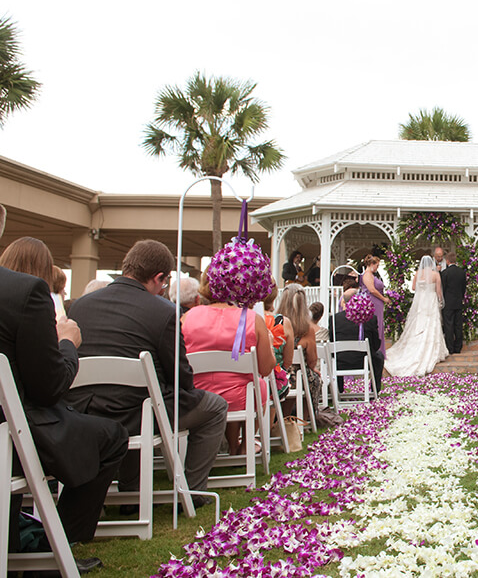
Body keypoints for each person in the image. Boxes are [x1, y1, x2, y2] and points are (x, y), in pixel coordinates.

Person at [0, 236, 127, 568]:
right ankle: (55, 542)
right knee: (111, 437)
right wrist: (68, 344)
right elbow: (49, 387)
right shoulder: (24, 293)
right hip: (13, 434)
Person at [67, 240, 228, 500]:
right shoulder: (163, 312)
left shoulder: (80, 306)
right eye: (164, 283)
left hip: (84, 411)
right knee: (214, 407)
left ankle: (130, 492)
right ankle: (193, 492)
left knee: (138, 399)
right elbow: (180, 376)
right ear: (158, 277)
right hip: (139, 414)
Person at [182, 272, 276, 455]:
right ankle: (246, 443)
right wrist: (270, 346)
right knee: (259, 386)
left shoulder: (188, 318)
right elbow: (265, 368)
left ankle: (232, 445)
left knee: (241, 386)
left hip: (197, 396)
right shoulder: (251, 318)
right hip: (241, 399)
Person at [385, 256, 449, 377]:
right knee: (432, 323)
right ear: (431, 264)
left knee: (419, 322)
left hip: (421, 302)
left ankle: (415, 346)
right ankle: (433, 350)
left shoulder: (418, 273)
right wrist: (440, 300)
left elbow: (413, 288)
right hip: (430, 300)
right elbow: (438, 290)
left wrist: (422, 288)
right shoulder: (435, 274)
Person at [278, 284, 323, 422]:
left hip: (275, 374)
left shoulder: (275, 323)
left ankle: (283, 418)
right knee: (313, 378)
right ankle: (303, 419)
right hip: (296, 377)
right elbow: (312, 361)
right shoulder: (307, 329)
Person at [328, 288, 384, 391]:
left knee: (334, 355)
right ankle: (375, 389)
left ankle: (339, 389)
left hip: (340, 363)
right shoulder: (370, 318)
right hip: (364, 362)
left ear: (344, 302)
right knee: (379, 356)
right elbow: (376, 345)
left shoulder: (334, 319)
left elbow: (331, 341)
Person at [262, 283, 294, 401]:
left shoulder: (244, 320)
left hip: (245, 381)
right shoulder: (283, 322)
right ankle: (271, 419)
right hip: (274, 382)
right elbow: (288, 361)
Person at [359, 254, 389, 357]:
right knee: (376, 325)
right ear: (372, 264)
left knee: (379, 324)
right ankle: (376, 351)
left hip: (377, 303)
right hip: (373, 302)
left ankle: (380, 351)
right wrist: (384, 298)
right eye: (377, 265)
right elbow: (372, 290)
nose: (377, 268)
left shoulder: (371, 275)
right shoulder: (367, 275)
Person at [441, 251, 467, 354]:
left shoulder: (445, 273)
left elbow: (443, 288)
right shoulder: (462, 272)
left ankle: (450, 347)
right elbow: (463, 288)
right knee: (458, 325)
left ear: (447, 261)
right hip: (458, 302)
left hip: (448, 302)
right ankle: (458, 347)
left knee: (448, 325)